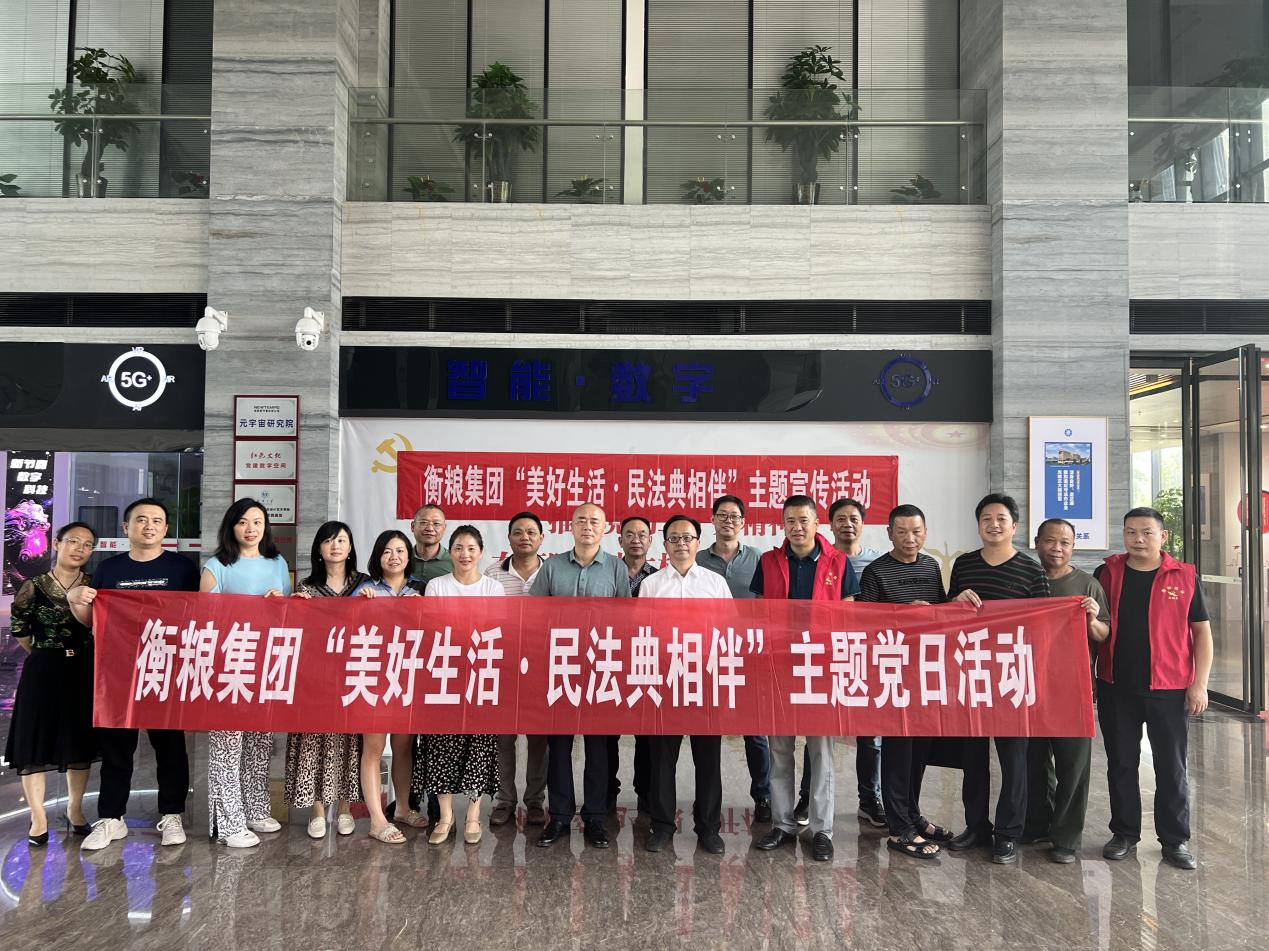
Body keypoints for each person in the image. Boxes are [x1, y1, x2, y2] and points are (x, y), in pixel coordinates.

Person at [68, 497, 198, 852]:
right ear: (126, 527)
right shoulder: (109, 569)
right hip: (118, 671)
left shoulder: (183, 569)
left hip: (166, 669)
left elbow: (197, 619)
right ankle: (112, 817)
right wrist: (75, 601)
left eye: (156, 520)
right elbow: (93, 622)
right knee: (117, 747)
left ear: (166, 529)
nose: (149, 526)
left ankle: (171, 814)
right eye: (141, 519)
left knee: (170, 747)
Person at [1093, 507, 1211, 871]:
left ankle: (1175, 841)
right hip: (1116, 686)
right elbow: (1094, 627)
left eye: (1146, 532)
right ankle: (1124, 833)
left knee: (1171, 767)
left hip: (1170, 688)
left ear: (1163, 536)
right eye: (1131, 532)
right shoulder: (1107, 573)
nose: (1138, 539)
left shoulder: (1184, 576)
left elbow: (1202, 632)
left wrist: (1200, 684)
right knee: (1121, 764)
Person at [751, 495, 859, 862]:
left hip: (821, 668)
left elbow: (848, 616)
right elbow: (758, 613)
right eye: (790, 521)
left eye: (803, 520)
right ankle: (783, 824)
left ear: (816, 523)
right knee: (779, 750)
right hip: (779, 667)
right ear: (782, 525)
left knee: (821, 752)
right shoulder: (768, 562)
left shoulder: (838, 561)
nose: (797, 527)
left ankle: (821, 829)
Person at [947, 493, 1049, 865]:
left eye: (1001, 519)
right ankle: (976, 826)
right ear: (978, 525)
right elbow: (946, 614)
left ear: (1014, 526)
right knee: (973, 759)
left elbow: (1045, 624)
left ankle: (1008, 833)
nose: (994, 525)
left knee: (1014, 761)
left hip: (1012, 675)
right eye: (986, 519)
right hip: (972, 673)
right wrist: (956, 601)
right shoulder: (964, 564)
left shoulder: (1031, 570)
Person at [531, 502, 631, 850]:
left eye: (594, 521)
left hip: (601, 667)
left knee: (597, 747)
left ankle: (595, 818)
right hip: (561, 667)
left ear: (605, 528)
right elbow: (534, 616)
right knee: (558, 745)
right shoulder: (552, 567)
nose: (587, 526)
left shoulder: (616, 568)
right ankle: (559, 816)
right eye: (581, 520)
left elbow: (626, 621)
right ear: (571, 527)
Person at [200, 498, 292, 848]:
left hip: (265, 662)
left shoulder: (277, 563)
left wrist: (278, 604)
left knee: (259, 741)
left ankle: (255, 808)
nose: (251, 528)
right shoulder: (217, 566)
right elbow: (206, 619)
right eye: (243, 522)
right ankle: (228, 822)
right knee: (227, 744)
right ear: (231, 527)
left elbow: (287, 614)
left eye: (257, 521)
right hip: (229, 664)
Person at [858, 504, 948, 860]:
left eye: (916, 531)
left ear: (925, 532)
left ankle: (912, 814)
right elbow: (864, 625)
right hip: (892, 673)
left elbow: (941, 614)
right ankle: (898, 830)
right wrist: (903, 615)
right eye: (902, 531)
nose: (910, 538)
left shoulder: (931, 566)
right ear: (889, 534)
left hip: (924, 672)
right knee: (897, 752)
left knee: (919, 751)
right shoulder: (876, 572)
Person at [639, 515, 731, 855]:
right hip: (664, 680)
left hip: (705, 680)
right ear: (664, 545)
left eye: (687, 538)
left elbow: (729, 632)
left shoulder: (714, 583)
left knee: (708, 759)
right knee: (662, 759)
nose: (681, 544)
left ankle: (708, 828)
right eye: (674, 538)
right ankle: (662, 825)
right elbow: (642, 632)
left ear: (698, 542)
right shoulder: (652, 585)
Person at [5, 521, 98, 847]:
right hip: (43, 668)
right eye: (73, 541)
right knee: (35, 741)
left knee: (78, 740)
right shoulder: (34, 585)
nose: (79, 549)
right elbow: (20, 630)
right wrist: (46, 653)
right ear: (57, 543)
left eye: (87, 544)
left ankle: (75, 810)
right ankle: (38, 818)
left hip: (83, 668)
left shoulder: (93, 585)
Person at [1023, 517, 1111, 863]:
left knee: (1073, 766)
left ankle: (1066, 837)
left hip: (1073, 689)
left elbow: (1103, 635)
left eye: (1065, 543)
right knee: (1033, 762)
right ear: (1036, 542)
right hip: (1028, 686)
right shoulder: (1026, 581)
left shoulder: (1088, 585)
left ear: (1073, 546)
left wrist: (1091, 619)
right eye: (1050, 541)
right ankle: (1037, 824)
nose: (1056, 548)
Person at [799, 496, 886, 830]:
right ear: (829, 525)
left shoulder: (877, 562)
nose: (847, 524)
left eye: (854, 519)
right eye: (840, 519)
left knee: (871, 735)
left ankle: (870, 799)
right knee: (818, 732)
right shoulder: (820, 560)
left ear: (863, 524)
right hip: (826, 656)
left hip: (868, 657)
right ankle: (807, 797)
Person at [419, 525, 504, 845]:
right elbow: (434, 628)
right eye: (458, 548)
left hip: (481, 674)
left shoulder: (493, 588)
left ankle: (472, 814)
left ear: (481, 552)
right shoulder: (437, 585)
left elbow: (495, 631)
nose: (465, 554)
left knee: (479, 743)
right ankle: (445, 816)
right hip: (443, 674)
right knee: (441, 744)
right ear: (450, 552)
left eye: (471, 548)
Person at [287, 521, 368, 838]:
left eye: (342, 540)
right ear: (319, 549)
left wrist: (375, 602)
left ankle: (346, 808)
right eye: (329, 541)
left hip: (354, 674)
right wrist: (293, 607)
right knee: (314, 739)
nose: (335, 546)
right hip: (315, 676)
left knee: (350, 740)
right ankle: (317, 810)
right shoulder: (306, 587)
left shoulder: (364, 584)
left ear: (350, 548)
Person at [695, 494, 770, 824]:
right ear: (712, 520)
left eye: (734, 516)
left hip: (747, 653)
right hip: (706, 655)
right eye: (722, 515)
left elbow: (768, 605)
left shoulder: (759, 559)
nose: (728, 521)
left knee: (755, 730)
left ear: (743, 523)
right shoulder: (697, 558)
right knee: (706, 729)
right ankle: (707, 801)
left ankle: (763, 795)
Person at [352, 529, 424, 844]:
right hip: (374, 676)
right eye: (387, 551)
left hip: (409, 675)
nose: (394, 557)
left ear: (409, 556)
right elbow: (347, 629)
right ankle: (377, 819)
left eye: (400, 551)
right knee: (374, 747)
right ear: (378, 556)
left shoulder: (421, 589)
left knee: (405, 745)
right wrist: (359, 606)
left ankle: (403, 808)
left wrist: (424, 607)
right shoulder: (365, 589)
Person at [484, 511, 549, 827]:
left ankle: (535, 800)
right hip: (503, 666)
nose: (525, 537)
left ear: (541, 538)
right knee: (503, 738)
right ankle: (505, 800)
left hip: (541, 666)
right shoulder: (492, 574)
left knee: (539, 739)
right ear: (509, 537)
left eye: (531, 532)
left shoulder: (552, 573)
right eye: (518, 532)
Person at [615, 515, 657, 812]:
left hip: (646, 661)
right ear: (620, 540)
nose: (636, 539)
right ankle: (607, 791)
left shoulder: (658, 578)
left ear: (651, 540)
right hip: (611, 661)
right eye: (629, 534)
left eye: (642, 534)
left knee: (646, 732)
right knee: (608, 731)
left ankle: (646, 791)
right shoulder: (608, 572)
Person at [409, 504, 451, 585]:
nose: (430, 528)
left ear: (444, 528)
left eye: (436, 523)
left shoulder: (454, 561)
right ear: (412, 526)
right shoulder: (402, 558)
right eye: (424, 523)